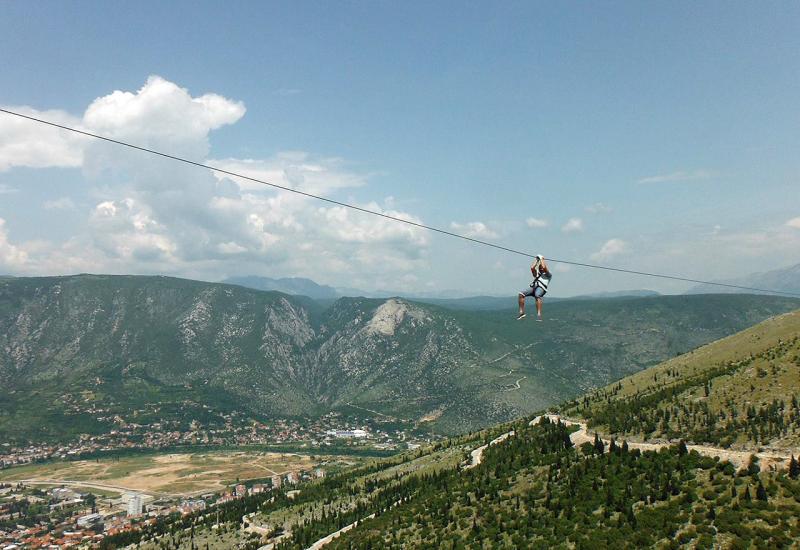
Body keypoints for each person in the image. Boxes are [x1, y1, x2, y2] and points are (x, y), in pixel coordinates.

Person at [518, 255, 551, 321]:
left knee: (537, 295)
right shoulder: (538, 274)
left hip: (541, 288)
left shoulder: (548, 274)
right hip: (534, 287)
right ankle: (521, 312)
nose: (541, 269)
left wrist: (541, 259)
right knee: (521, 294)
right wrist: (537, 260)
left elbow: (544, 267)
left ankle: (539, 314)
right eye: (540, 268)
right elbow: (532, 268)